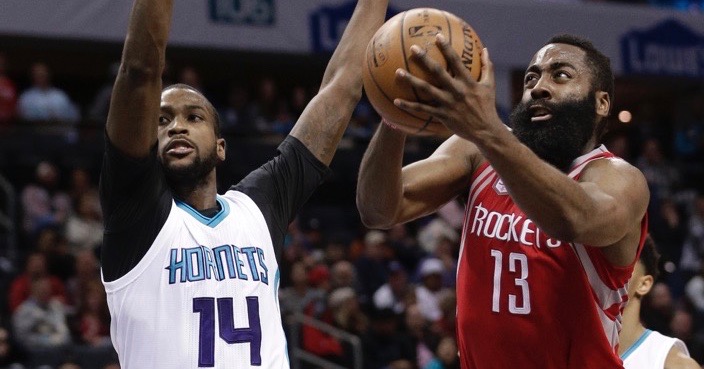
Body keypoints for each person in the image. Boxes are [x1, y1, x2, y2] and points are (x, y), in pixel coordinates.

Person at [99, 0, 388, 368]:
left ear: (221, 147)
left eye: (193, 116)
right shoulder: (135, 219)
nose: (176, 126)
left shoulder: (257, 208)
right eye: (161, 120)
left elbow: (341, 87)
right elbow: (140, 69)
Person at [357, 34, 650, 368]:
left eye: (561, 75)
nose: (539, 87)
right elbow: (378, 209)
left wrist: (486, 129)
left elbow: (575, 219)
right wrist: (394, 114)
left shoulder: (620, 177)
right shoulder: (478, 151)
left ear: (601, 103)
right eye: (531, 77)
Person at [619, 236, 700, 369]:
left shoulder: (673, 364)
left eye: (620, 262)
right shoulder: (576, 350)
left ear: (644, 284)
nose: (607, 275)